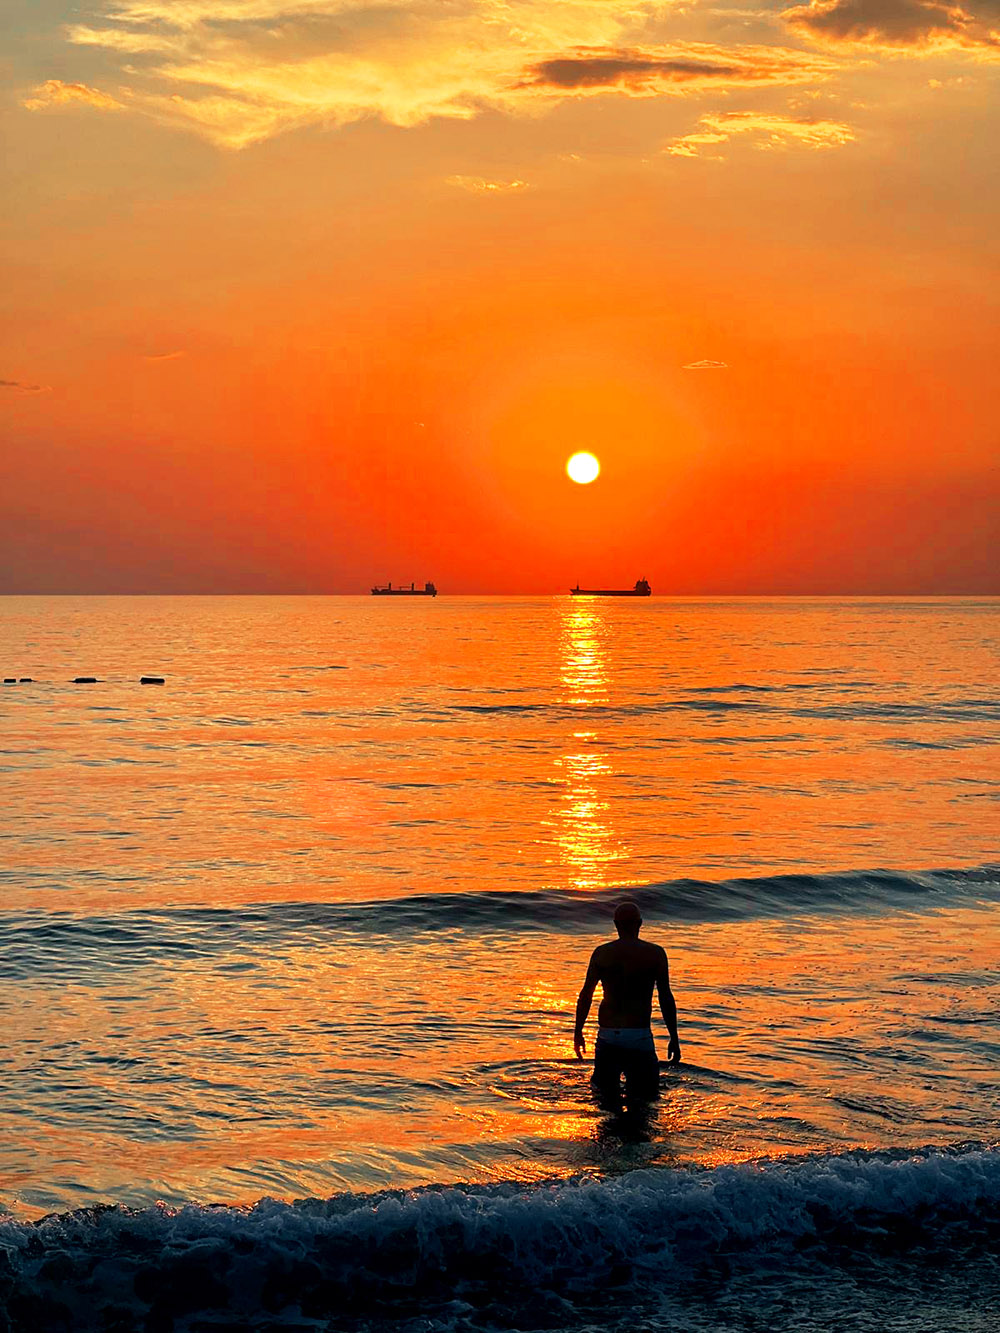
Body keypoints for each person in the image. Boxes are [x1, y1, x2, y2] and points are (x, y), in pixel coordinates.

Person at [573, 901, 680, 1103]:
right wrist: (674, 1036)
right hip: (639, 1035)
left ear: (616, 925)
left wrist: (578, 1031)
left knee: (604, 1099)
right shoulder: (655, 954)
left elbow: (586, 995)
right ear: (640, 924)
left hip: (607, 1035)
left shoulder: (602, 953)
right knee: (645, 1099)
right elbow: (665, 997)